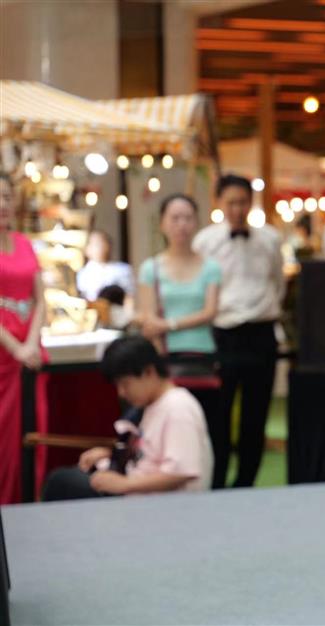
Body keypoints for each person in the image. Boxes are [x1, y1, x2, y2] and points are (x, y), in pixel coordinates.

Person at [193, 174, 284, 488]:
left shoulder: (270, 239)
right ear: (219, 203)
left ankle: (247, 483)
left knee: (255, 415)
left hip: (261, 334)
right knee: (219, 414)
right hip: (223, 335)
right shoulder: (205, 241)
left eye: (243, 202)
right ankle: (216, 482)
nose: (237, 209)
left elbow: (278, 283)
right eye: (231, 202)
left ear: (251, 202)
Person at [41, 336, 213, 500]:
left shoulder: (178, 408)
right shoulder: (154, 405)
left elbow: (181, 472)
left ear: (149, 372)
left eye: (125, 384)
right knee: (66, 480)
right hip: (139, 492)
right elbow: (148, 454)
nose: (122, 393)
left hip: (160, 503)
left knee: (61, 482)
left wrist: (124, 484)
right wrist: (110, 455)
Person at [137, 193, 224, 487]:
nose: (181, 224)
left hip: (203, 362)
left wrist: (169, 324)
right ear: (162, 223)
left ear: (196, 222)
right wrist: (159, 351)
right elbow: (148, 320)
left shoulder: (210, 267)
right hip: (166, 363)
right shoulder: (151, 269)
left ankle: (211, 489)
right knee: (166, 432)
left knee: (207, 433)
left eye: (187, 218)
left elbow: (210, 312)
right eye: (174, 218)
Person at [0, 172, 49, 505]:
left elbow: (40, 300)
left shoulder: (24, 243)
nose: (2, 204)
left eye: (6, 196)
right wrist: (14, 347)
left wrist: (30, 343)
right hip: (5, 352)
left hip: (29, 352)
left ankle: (29, 503)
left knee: (32, 430)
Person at [76, 229, 135, 304]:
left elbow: (130, 297)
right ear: (87, 249)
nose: (100, 247)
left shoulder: (124, 270)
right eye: (95, 244)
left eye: (102, 243)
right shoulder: (82, 274)